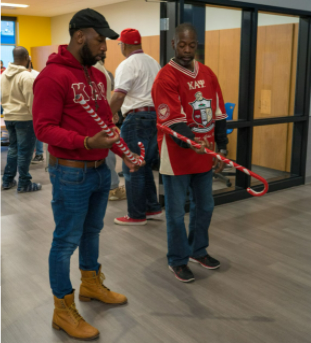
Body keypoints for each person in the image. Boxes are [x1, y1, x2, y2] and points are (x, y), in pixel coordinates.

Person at [32, 8, 143, 341]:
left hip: (99, 171)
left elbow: (105, 126)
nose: (105, 48)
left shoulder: (97, 77)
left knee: (92, 232)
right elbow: (43, 128)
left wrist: (124, 153)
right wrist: (84, 142)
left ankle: (91, 284)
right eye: (100, 40)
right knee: (65, 241)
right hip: (70, 173)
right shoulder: (52, 77)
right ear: (80, 35)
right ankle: (61, 309)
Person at [151, 23, 228, 283]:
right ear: (173, 44)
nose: (186, 49)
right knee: (174, 212)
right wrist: (192, 141)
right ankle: (177, 259)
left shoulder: (207, 73)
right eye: (182, 44)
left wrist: (221, 146)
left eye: (191, 45)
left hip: (203, 153)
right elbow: (172, 120)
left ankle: (198, 250)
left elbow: (218, 112)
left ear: (197, 45)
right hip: (176, 154)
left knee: (205, 205)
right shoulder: (166, 77)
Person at [110, 28, 162, 226]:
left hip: (136, 120)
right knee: (145, 164)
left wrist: (105, 117)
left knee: (132, 166)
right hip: (154, 118)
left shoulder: (127, 64)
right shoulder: (153, 62)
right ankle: (152, 207)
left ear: (123, 44)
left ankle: (136, 214)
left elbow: (119, 94)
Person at [1, 47, 42, 192]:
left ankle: (7, 180)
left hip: (9, 117)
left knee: (13, 149)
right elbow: (33, 102)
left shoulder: (4, 75)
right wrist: (38, 121)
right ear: (27, 58)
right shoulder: (27, 77)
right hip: (25, 118)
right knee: (25, 152)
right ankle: (24, 183)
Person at [94, 58, 126, 201]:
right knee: (107, 150)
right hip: (101, 120)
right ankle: (112, 188)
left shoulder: (99, 71)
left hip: (100, 118)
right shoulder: (100, 71)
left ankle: (108, 186)